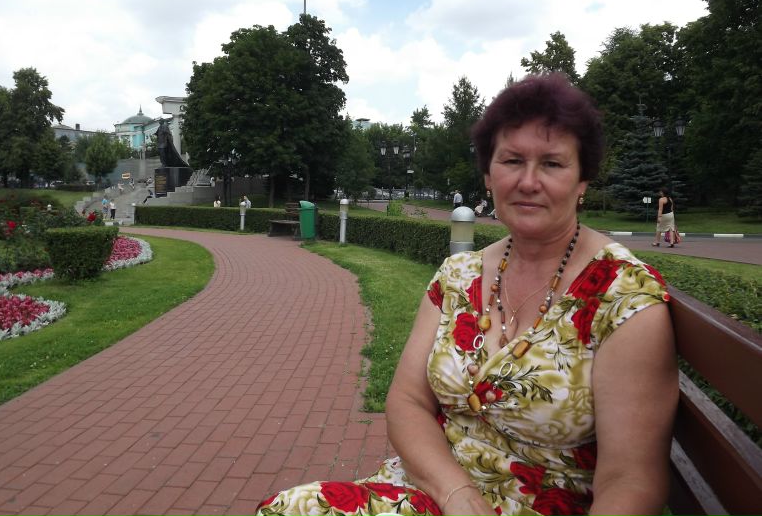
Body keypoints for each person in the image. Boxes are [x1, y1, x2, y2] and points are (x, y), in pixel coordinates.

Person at [256, 73, 678, 516]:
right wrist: (456, 493)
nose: (528, 181)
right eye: (512, 160)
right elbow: (407, 401)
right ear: (488, 175)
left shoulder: (623, 297)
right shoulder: (459, 276)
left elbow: (631, 479)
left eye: (552, 164)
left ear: (582, 180)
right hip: (436, 489)